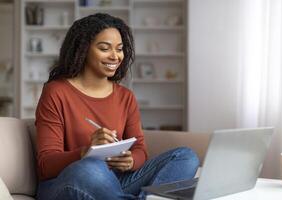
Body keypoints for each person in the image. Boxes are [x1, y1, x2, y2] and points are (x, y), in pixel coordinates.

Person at [36, 13, 199, 200]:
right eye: (104, 48)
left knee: (186, 157)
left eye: (119, 49)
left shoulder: (125, 97)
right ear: (83, 49)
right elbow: (45, 165)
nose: (115, 56)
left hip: (115, 182)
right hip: (67, 182)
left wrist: (130, 161)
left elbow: (139, 150)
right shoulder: (56, 92)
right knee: (90, 167)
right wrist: (86, 151)